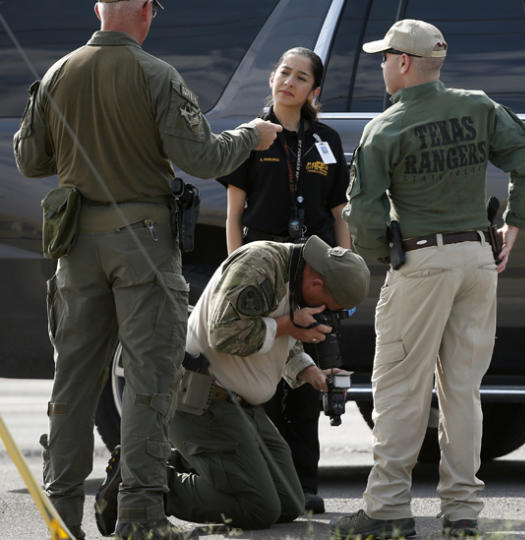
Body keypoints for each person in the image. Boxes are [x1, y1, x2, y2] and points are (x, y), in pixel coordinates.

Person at [11, 1, 281, 539]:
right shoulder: (156, 74)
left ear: (98, 9)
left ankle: (60, 518)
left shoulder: (58, 73)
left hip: (75, 248)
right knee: (149, 383)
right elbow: (203, 157)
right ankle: (140, 517)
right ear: (141, 11)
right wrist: (253, 135)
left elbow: (29, 160)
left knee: (73, 384)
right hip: (144, 247)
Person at [331, 19, 525, 540]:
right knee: (463, 391)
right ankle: (462, 512)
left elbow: (362, 211)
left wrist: (386, 255)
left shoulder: (385, 127)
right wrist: (514, 226)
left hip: (423, 262)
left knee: (401, 388)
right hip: (477, 258)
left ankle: (386, 510)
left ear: (404, 63)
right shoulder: (477, 105)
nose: (381, 65)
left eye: (385, 57)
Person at [157, 236, 369, 530]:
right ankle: (144, 482)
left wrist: (311, 372)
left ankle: (180, 461)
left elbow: (277, 333)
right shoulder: (261, 265)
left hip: (240, 407)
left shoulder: (294, 277)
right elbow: (222, 332)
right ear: (318, 284)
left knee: (289, 502)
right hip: (203, 402)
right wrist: (288, 325)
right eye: (328, 306)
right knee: (258, 508)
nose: (325, 314)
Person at [217, 47, 351, 513]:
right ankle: (269, 485)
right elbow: (235, 214)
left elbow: (338, 215)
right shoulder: (251, 137)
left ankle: (304, 485)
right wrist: (236, 274)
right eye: (283, 73)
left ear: (314, 90)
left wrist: (344, 272)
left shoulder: (326, 140)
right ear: (271, 78)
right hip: (264, 269)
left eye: (300, 77)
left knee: (307, 382)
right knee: (267, 382)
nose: (288, 82)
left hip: (313, 276)